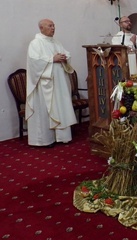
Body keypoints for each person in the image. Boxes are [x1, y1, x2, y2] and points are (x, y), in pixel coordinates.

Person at [26, 19, 77, 147]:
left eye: (54, 25)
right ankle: (45, 140)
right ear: (41, 28)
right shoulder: (35, 43)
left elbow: (66, 54)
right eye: (50, 26)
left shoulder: (56, 42)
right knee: (45, 110)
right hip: (45, 84)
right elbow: (33, 61)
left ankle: (62, 137)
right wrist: (51, 59)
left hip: (59, 82)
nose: (53, 28)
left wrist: (65, 57)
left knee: (60, 107)